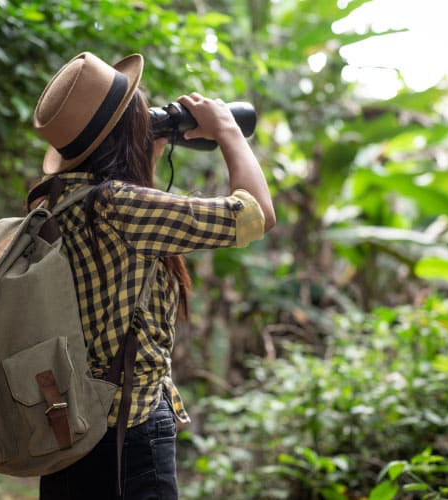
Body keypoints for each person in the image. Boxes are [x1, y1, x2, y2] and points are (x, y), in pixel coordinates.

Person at [32, 51, 275, 499]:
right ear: (127, 132)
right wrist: (225, 129)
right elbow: (255, 215)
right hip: (129, 433)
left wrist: (145, 149)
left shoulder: (51, 201)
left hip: (68, 428)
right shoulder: (119, 206)